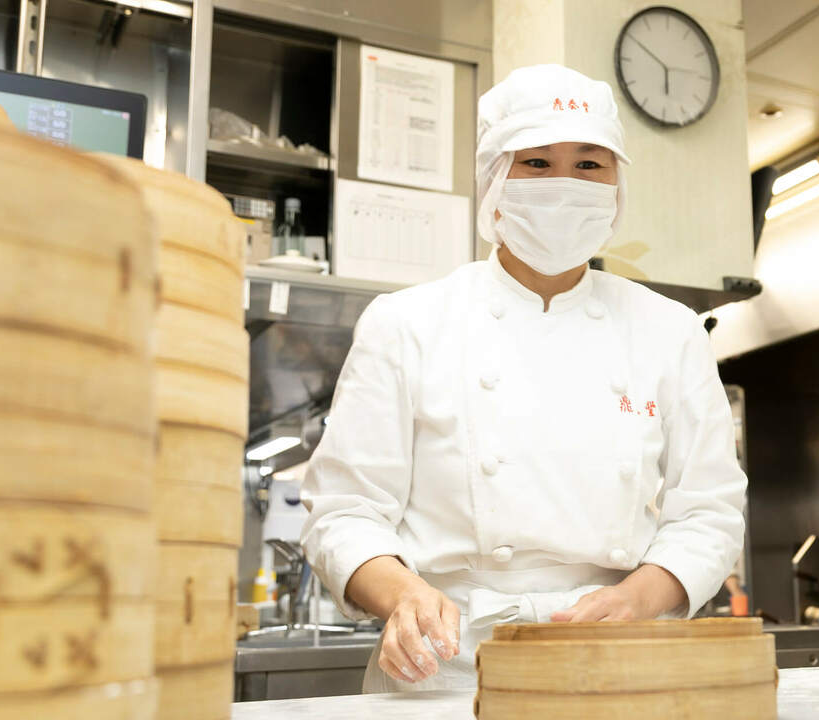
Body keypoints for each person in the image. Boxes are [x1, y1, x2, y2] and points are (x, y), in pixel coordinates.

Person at [300, 64, 747, 692]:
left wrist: (642, 596)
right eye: (537, 163)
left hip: (612, 656)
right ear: (493, 180)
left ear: (618, 184)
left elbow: (711, 510)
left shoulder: (669, 330)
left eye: (589, 165)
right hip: (446, 664)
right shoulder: (406, 323)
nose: (564, 185)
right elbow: (343, 512)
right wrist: (402, 594)